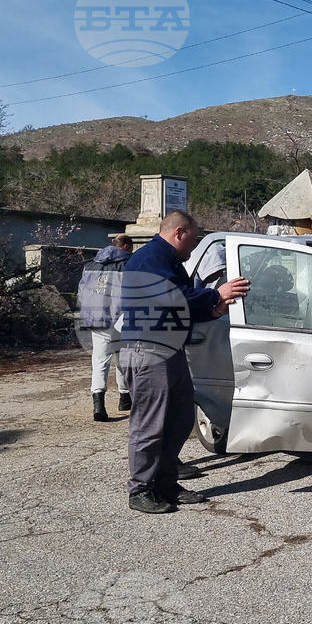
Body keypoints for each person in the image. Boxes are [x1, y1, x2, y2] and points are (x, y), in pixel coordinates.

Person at [120, 212, 249, 514]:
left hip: (169, 349)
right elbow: (172, 299)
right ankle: (141, 489)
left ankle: (166, 483)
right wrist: (216, 292)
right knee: (150, 425)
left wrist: (215, 310)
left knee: (178, 421)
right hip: (149, 351)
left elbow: (182, 305)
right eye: (193, 239)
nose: (194, 246)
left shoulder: (168, 261)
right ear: (179, 233)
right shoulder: (150, 259)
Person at [78, 234, 133, 422]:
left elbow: (81, 292)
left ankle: (98, 403)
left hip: (97, 317)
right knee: (122, 357)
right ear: (126, 247)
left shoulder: (91, 265)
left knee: (100, 360)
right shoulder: (128, 265)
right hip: (121, 318)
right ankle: (125, 398)